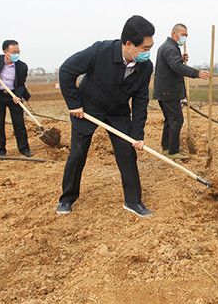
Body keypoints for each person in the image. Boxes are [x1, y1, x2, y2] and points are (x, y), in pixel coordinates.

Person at [56, 15, 155, 217]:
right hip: (88, 109)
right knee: (77, 154)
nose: (148, 52)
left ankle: (133, 201)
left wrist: (137, 133)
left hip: (118, 112)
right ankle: (67, 198)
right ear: (129, 44)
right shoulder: (100, 51)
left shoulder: (145, 66)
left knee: (127, 154)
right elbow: (66, 71)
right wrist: (74, 104)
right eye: (145, 48)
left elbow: (140, 100)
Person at [153, 23, 210, 160]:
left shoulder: (167, 47)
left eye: (186, 35)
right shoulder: (170, 48)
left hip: (163, 91)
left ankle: (166, 147)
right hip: (169, 92)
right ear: (175, 34)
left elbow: (172, 64)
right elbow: (177, 67)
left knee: (169, 120)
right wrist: (197, 73)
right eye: (183, 35)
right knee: (177, 120)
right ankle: (173, 152)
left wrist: (181, 58)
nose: (185, 38)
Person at [0, 40, 32, 157]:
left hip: (13, 95)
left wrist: (18, 96)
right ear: (5, 52)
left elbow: (21, 84)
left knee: (19, 124)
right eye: (14, 52)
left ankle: (24, 149)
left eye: (18, 52)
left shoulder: (22, 66)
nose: (16, 54)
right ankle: (0, 151)